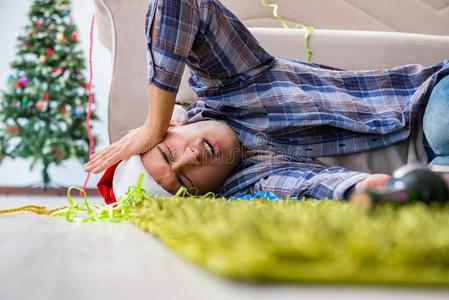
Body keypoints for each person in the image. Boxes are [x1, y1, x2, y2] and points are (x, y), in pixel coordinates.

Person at [86, 0, 449, 202]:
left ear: (173, 126)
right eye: (185, 180)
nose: (191, 157)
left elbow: (179, 5)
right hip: (426, 173)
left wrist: (152, 125)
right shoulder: (249, 183)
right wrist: (363, 190)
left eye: (168, 152)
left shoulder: (232, 83)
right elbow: (308, 184)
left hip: (425, 106)